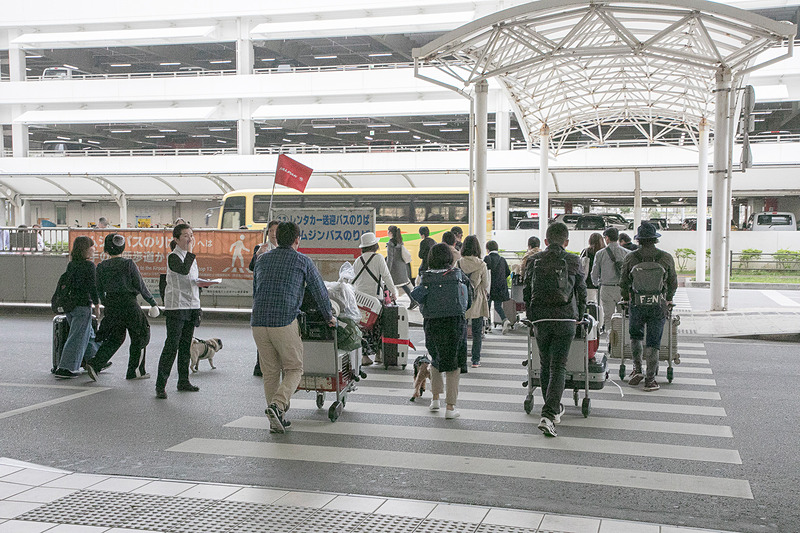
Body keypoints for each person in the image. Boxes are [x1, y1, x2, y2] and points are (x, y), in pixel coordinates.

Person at [252, 221, 335, 433]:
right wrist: (329, 317)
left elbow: (257, 290)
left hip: (258, 321)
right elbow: (319, 292)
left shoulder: (261, 260)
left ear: (276, 238)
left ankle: (275, 421)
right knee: (295, 368)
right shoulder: (303, 261)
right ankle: (278, 406)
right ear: (297, 240)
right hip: (284, 320)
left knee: (270, 372)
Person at [523, 222, 586, 437]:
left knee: (545, 364)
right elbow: (581, 290)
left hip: (541, 318)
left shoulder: (533, 260)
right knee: (559, 366)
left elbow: (527, 289)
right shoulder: (573, 260)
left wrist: (531, 316)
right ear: (566, 242)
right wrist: (581, 315)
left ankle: (553, 409)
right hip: (566, 317)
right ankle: (549, 414)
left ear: (546, 241)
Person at [85, 233, 159, 381]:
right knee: (141, 334)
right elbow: (140, 285)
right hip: (129, 303)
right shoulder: (128, 264)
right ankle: (135, 371)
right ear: (123, 247)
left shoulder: (101, 266)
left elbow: (98, 288)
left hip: (112, 304)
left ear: (106, 248)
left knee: (115, 337)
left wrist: (107, 302)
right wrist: (152, 302)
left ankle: (95, 364)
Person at [412, 243, 470, 419]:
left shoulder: (425, 277)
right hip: (454, 322)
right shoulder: (458, 276)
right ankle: (450, 408)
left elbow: (419, 301)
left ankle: (435, 400)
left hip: (432, 323)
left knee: (436, 360)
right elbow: (468, 301)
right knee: (453, 365)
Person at [620, 222, 678, 392]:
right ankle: (650, 379)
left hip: (637, 303)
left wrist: (626, 298)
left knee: (635, 336)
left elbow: (623, 282)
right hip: (657, 304)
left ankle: (637, 369)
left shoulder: (630, 258)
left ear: (639, 240)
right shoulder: (666, 258)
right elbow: (673, 283)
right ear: (654, 240)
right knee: (653, 341)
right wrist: (668, 299)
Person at [154, 223, 204, 399]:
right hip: (176, 306)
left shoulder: (192, 258)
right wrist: (190, 252)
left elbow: (192, 280)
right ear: (176, 239)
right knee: (172, 345)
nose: (190, 238)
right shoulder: (173, 257)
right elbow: (182, 271)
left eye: (191, 234)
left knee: (185, 346)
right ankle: (161, 384)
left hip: (191, 305)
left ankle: (183, 380)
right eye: (185, 235)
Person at [54, 236, 100, 379]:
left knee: (89, 334)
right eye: (92, 246)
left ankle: (96, 360)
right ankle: (66, 367)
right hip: (82, 305)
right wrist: (97, 305)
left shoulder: (72, 264)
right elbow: (92, 287)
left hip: (70, 305)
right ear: (86, 249)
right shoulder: (89, 266)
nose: (94, 249)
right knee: (77, 337)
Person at [353, 232, 397, 366]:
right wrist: (393, 292)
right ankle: (379, 354)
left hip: (359, 300)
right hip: (374, 300)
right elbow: (386, 276)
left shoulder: (357, 260)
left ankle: (365, 356)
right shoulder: (378, 258)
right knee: (379, 326)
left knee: (363, 327)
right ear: (375, 245)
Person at [248, 220, 279, 377]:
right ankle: (259, 365)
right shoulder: (261, 248)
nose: (273, 233)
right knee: (262, 332)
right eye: (271, 230)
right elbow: (252, 267)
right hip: (262, 294)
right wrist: (258, 254)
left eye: (276, 230)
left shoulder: (284, 250)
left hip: (278, 296)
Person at [457, 235, 489, 367]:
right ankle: (475, 360)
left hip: (462, 300)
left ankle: (462, 359)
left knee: (462, 331)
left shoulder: (459, 262)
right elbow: (486, 284)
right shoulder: (481, 264)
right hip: (477, 300)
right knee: (477, 332)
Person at [591, 227, 630, 333]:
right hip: (622, 289)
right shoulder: (627, 253)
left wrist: (597, 284)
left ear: (607, 238)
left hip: (606, 287)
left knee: (608, 316)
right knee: (622, 316)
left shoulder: (600, 253)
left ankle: (610, 342)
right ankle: (621, 340)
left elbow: (594, 273)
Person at [386, 225, 417, 310]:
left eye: (388, 231)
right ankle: (413, 300)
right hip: (402, 267)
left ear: (391, 233)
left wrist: (387, 270)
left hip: (394, 268)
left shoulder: (390, 243)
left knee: (388, 284)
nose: (387, 233)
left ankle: (389, 302)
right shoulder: (399, 241)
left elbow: (390, 259)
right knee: (403, 284)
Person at [483, 240, 511, 334]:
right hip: (500, 287)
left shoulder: (487, 258)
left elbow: (484, 272)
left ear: (487, 249)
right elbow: (508, 272)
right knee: (498, 306)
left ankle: (488, 325)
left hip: (490, 287)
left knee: (487, 306)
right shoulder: (502, 259)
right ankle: (505, 320)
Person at [580, 233, 604, 325]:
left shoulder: (586, 251)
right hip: (601, 283)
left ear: (590, 241)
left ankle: (591, 324)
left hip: (588, 283)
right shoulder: (603, 252)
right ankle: (600, 325)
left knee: (589, 306)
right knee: (600, 306)